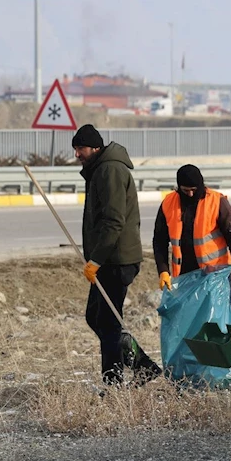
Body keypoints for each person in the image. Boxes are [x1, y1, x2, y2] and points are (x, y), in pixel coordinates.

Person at [73, 124, 161, 386]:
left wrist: (96, 259)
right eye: (75, 149)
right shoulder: (100, 169)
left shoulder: (110, 169)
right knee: (95, 317)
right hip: (108, 258)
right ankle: (143, 366)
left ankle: (112, 384)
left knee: (109, 323)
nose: (77, 154)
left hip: (116, 259)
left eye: (81, 148)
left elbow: (113, 220)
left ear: (96, 148)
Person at [152, 164, 231, 300]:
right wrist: (163, 270)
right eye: (186, 191)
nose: (191, 194)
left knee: (214, 320)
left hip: (214, 277)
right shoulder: (168, 203)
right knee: (189, 319)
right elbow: (159, 240)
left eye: (194, 190)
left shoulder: (216, 202)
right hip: (184, 277)